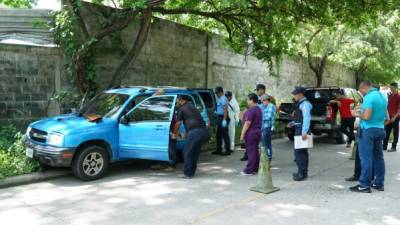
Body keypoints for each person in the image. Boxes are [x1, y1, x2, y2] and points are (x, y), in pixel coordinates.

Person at [350, 81, 386, 193]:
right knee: (378, 157)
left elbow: (366, 116)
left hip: (368, 130)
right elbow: (381, 114)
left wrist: (355, 113)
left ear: (364, 88)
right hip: (380, 129)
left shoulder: (369, 97)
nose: (361, 94)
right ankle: (378, 183)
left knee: (366, 158)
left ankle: (364, 185)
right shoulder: (382, 97)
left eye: (361, 91)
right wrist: (361, 109)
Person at [174, 95, 210, 179]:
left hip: (195, 132)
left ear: (181, 100)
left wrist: (174, 134)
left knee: (187, 152)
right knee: (194, 152)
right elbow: (191, 120)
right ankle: (192, 171)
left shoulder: (181, 109)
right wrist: (187, 133)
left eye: (177, 101)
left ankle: (187, 174)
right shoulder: (192, 107)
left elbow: (178, 123)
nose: (176, 103)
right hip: (204, 132)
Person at [287, 86, 312, 181]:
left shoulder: (305, 104)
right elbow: (300, 118)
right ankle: (302, 172)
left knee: (299, 153)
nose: (294, 96)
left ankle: (302, 173)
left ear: (300, 94)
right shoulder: (301, 104)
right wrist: (292, 123)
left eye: (295, 94)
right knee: (302, 152)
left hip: (302, 130)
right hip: (299, 128)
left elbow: (306, 118)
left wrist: (304, 131)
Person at [240, 93, 263, 175]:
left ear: (252, 100)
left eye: (248, 99)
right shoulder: (258, 109)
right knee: (255, 151)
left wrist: (242, 134)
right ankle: (255, 168)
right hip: (257, 132)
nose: (247, 101)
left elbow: (247, 123)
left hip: (251, 133)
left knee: (251, 151)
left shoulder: (252, 110)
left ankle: (249, 170)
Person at [212, 86, 231, 156]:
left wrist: (224, 120)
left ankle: (227, 150)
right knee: (218, 135)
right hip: (220, 117)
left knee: (225, 134)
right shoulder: (221, 98)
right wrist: (217, 112)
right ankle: (218, 149)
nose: (216, 94)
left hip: (223, 118)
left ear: (220, 92)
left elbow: (225, 109)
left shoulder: (223, 98)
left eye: (217, 93)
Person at [383, 82, 400, 152]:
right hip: (388, 117)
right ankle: (384, 146)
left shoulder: (399, 96)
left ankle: (394, 147)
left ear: (396, 88)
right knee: (386, 131)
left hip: (395, 117)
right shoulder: (389, 96)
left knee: (395, 132)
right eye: (390, 88)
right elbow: (388, 106)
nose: (391, 89)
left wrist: (395, 117)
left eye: (392, 88)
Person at [260, 94, 276, 163]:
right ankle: (267, 159)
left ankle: (268, 159)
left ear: (266, 100)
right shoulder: (265, 106)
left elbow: (268, 117)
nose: (262, 103)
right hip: (264, 127)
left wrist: (260, 118)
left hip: (267, 127)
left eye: (263, 101)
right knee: (267, 144)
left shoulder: (271, 106)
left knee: (265, 144)